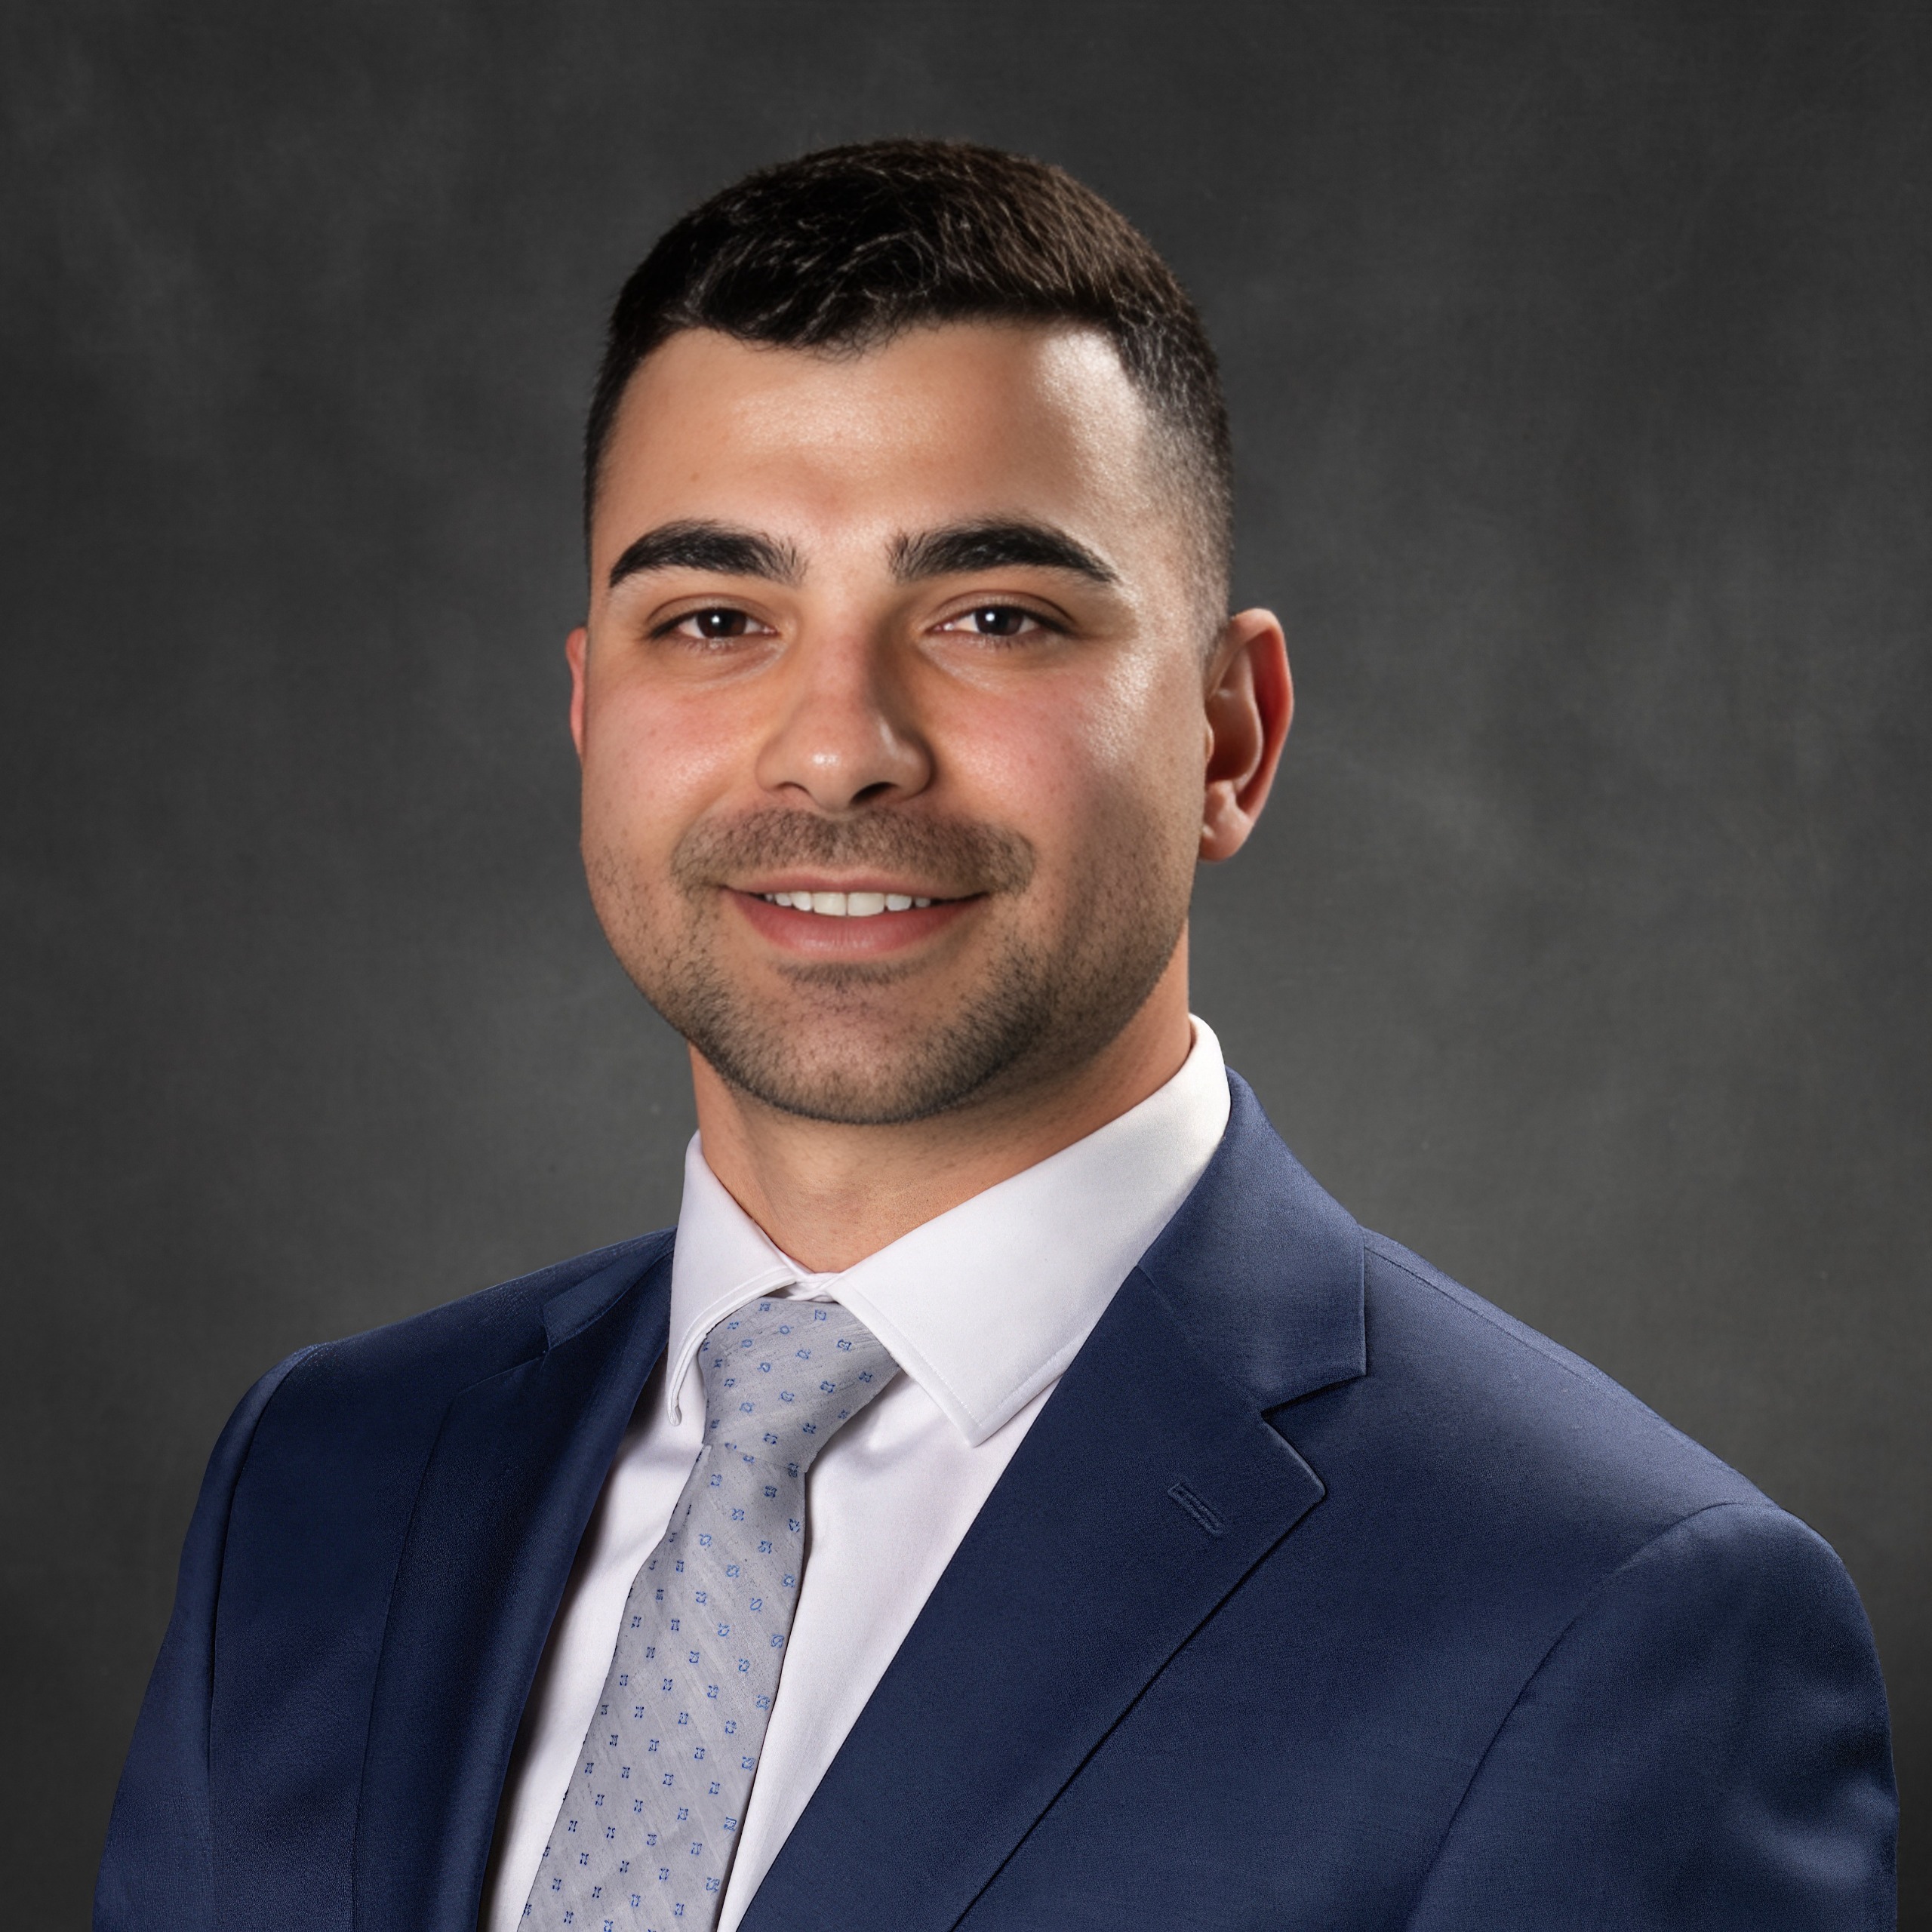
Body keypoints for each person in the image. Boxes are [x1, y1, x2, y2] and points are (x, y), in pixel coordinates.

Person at [96, 140, 1895, 1932]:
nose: (834, 744)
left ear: (1228, 737)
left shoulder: (1608, 1620)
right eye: (715, 618)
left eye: (990, 616)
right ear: (589, 712)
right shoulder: (321, 1474)